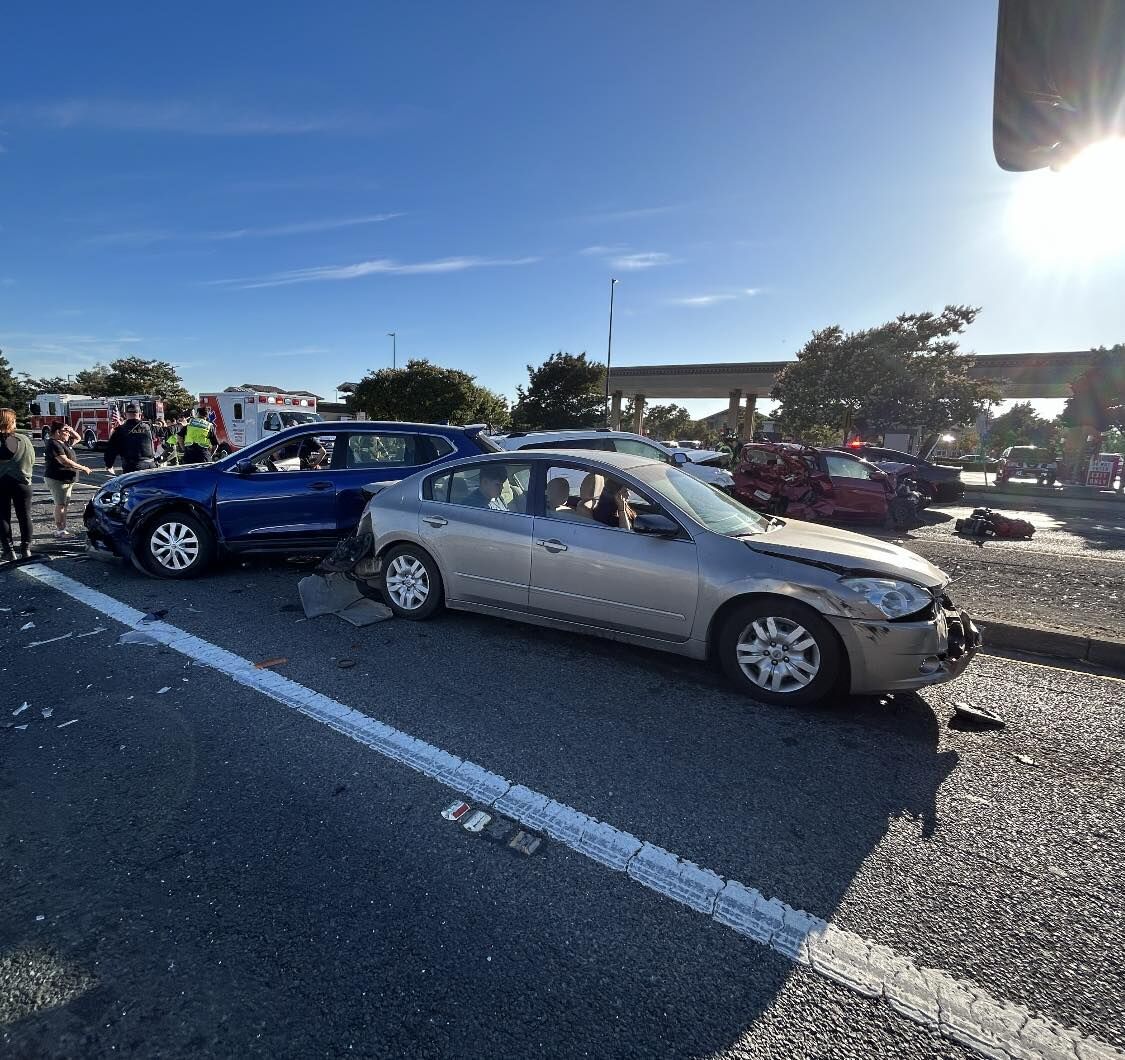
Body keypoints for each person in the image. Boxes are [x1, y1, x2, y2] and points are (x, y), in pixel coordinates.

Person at [44, 421, 93, 537]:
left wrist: (70, 430)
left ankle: (63, 528)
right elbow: (64, 461)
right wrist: (83, 468)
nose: (68, 435)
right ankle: (60, 530)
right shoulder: (54, 444)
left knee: (64, 505)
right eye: (66, 432)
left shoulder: (64, 442)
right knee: (60, 505)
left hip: (67, 479)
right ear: (58, 432)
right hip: (58, 478)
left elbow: (78, 437)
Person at [0, 408, 36, 561]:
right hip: (23, 482)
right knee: (25, 515)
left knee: (3, 516)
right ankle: (26, 549)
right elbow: (32, 459)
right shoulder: (24, 439)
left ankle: (9, 550)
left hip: (2, 482)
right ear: (12, 422)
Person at [104, 403, 156, 475]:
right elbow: (166, 431)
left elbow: (111, 450)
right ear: (140, 415)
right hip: (151, 466)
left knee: (133, 486)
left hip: (133, 467)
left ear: (125, 415)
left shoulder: (120, 430)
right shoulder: (149, 427)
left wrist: (109, 465)